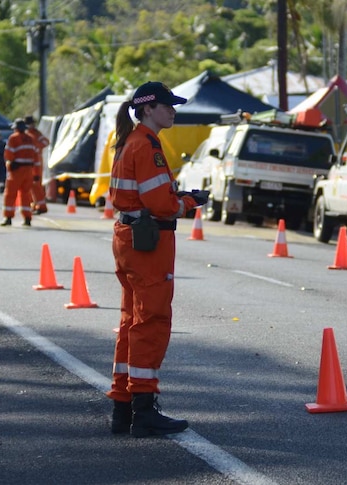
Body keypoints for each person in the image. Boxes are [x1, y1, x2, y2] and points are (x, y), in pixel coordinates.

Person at [105, 81, 208, 438]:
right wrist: (191, 202)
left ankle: (123, 406)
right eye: (167, 105)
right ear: (148, 108)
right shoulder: (147, 146)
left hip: (129, 238)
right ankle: (144, 410)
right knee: (152, 320)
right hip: (148, 244)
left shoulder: (130, 142)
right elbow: (161, 204)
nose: (173, 111)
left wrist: (176, 196)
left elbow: (142, 194)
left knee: (131, 321)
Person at [0, 119, 36, 226]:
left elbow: (8, 154)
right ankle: (27, 218)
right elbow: (35, 155)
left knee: (10, 194)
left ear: (16, 128)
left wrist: (9, 164)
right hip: (29, 170)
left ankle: (8, 217)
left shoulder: (13, 138)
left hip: (17, 170)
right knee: (26, 194)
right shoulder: (31, 138)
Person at [24, 116, 50, 214]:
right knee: (30, 185)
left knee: (36, 184)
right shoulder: (26, 134)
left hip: (36, 163)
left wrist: (36, 147)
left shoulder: (36, 134)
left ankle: (41, 206)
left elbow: (46, 142)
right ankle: (34, 205)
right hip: (28, 163)